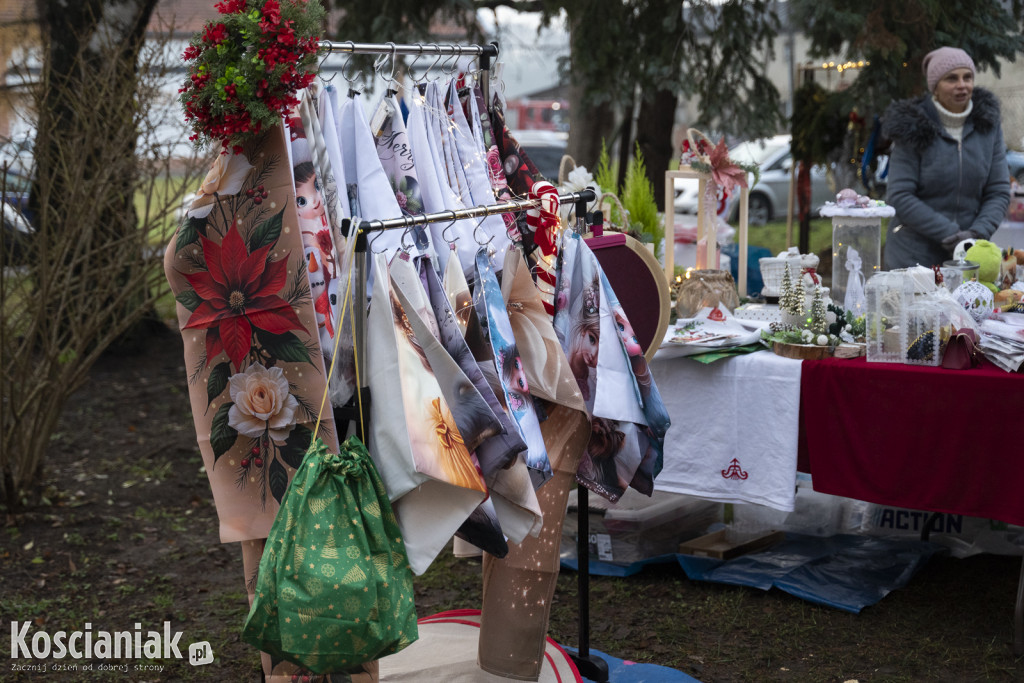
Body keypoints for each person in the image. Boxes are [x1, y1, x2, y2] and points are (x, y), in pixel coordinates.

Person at [882, 46, 1010, 270]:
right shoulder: (912, 127)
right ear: (935, 87)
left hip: (969, 258)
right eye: (952, 78)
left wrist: (976, 234)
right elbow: (900, 195)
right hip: (912, 258)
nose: (962, 85)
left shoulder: (988, 126)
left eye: (967, 77)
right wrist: (951, 233)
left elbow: (998, 191)